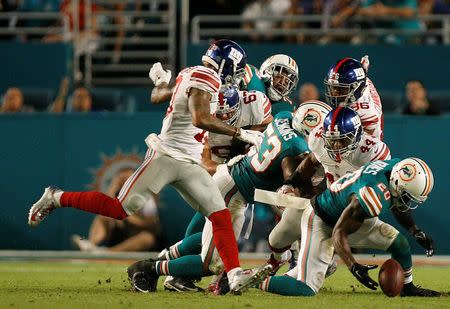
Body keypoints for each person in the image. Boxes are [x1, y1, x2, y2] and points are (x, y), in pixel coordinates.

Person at [28, 39, 270, 294]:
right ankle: (56, 197)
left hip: (189, 162)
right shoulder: (205, 76)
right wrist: (241, 133)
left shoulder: (193, 74)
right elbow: (200, 118)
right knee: (119, 208)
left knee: (220, 214)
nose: (239, 74)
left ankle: (234, 276)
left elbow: (157, 96)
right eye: (237, 67)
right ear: (226, 64)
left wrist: (161, 82)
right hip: (166, 156)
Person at [158, 101, 331, 294]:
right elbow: (291, 177)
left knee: (215, 243)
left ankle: (169, 260)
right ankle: (152, 267)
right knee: (212, 261)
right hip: (232, 188)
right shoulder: (296, 147)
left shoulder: (284, 117)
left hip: (237, 184)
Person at [258, 157, 440, 297]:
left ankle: (407, 288)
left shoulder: (397, 169)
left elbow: (397, 202)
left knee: (400, 244)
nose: (408, 204)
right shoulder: (373, 194)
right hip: (322, 220)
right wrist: (353, 266)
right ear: (398, 185)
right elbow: (339, 232)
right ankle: (255, 280)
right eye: (408, 197)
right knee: (305, 288)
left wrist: (414, 230)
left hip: (354, 216)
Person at [266, 106, 391, 274]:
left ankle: (311, 258)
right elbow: (309, 163)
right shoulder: (318, 140)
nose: (336, 146)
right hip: (330, 204)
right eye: (332, 139)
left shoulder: (372, 152)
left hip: (356, 210)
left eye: (343, 140)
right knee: (279, 223)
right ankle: (294, 256)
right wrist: (290, 184)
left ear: (357, 136)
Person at [71, 168, 160, 252]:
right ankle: (90, 247)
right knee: (103, 216)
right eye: (123, 179)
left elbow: (153, 225)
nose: (127, 181)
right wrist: (114, 185)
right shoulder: (118, 193)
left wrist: (130, 219)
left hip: (137, 236)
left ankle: (106, 254)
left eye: (130, 178)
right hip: (119, 234)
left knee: (147, 238)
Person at [324, 56, 383, 139]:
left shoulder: (365, 113)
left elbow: (370, 144)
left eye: (341, 89)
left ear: (357, 88)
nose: (334, 93)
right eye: (333, 87)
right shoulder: (359, 83)